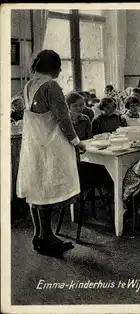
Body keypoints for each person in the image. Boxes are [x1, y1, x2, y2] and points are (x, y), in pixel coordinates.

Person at [17, 49, 86, 256]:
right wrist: (77, 142)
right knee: (46, 189)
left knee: (36, 188)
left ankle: (39, 234)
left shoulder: (29, 85)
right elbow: (63, 119)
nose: (61, 69)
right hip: (50, 143)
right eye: (59, 66)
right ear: (53, 67)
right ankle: (47, 237)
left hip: (34, 145)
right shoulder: (51, 86)